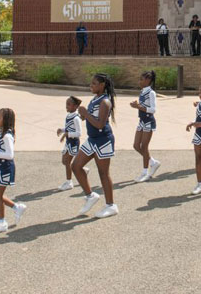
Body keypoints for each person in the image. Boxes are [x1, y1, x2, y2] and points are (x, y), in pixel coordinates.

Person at [72, 74, 118, 218]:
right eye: (90, 83)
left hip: (103, 140)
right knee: (75, 166)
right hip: (92, 140)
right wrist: (83, 116)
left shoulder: (105, 102)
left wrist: (85, 112)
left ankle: (111, 206)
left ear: (102, 85)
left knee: (103, 173)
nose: (91, 86)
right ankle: (90, 195)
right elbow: (92, 119)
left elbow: (100, 124)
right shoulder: (95, 99)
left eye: (94, 83)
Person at [0, 108, 27, 234]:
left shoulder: (7, 135)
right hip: (0, 168)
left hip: (6, 168)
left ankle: (1, 222)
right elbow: (2, 150)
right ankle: (16, 207)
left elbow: (10, 155)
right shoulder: (2, 133)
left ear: (5, 120)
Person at [129, 70, 161, 182]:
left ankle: (145, 172)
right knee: (136, 145)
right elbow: (144, 106)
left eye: (141, 79)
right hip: (142, 121)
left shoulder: (151, 93)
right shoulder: (142, 92)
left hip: (149, 121)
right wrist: (137, 105)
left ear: (148, 80)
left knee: (144, 146)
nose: (139, 81)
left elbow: (153, 109)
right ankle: (153, 162)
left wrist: (138, 107)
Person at [56, 96, 87, 191]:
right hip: (69, 142)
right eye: (66, 104)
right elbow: (69, 128)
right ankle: (83, 170)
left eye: (69, 104)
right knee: (64, 161)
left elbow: (79, 133)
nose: (66, 106)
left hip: (73, 143)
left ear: (75, 106)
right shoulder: (69, 116)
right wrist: (62, 130)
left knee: (67, 161)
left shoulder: (76, 118)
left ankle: (69, 182)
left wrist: (67, 134)